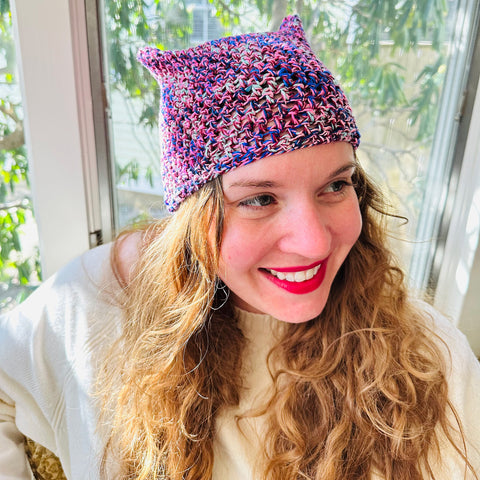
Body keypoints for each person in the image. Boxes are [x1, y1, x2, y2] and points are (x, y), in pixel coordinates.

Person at [0, 14, 479, 480]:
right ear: (192, 221)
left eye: (335, 186)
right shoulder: (96, 309)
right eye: (260, 199)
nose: (313, 241)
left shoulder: (427, 355)